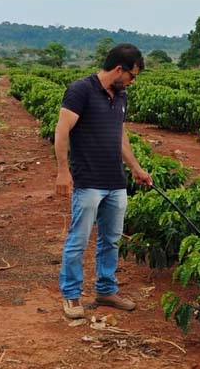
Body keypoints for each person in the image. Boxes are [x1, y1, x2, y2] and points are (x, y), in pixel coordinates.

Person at [55, 43, 153, 319]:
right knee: (79, 239)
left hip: (115, 181)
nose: (133, 82)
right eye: (132, 76)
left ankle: (106, 290)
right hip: (88, 181)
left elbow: (119, 135)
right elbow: (62, 130)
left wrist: (136, 167)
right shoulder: (80, 90)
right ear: (119, 69)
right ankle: (72, 296)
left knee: (111, 239)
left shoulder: (120, 97)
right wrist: (63, 171)